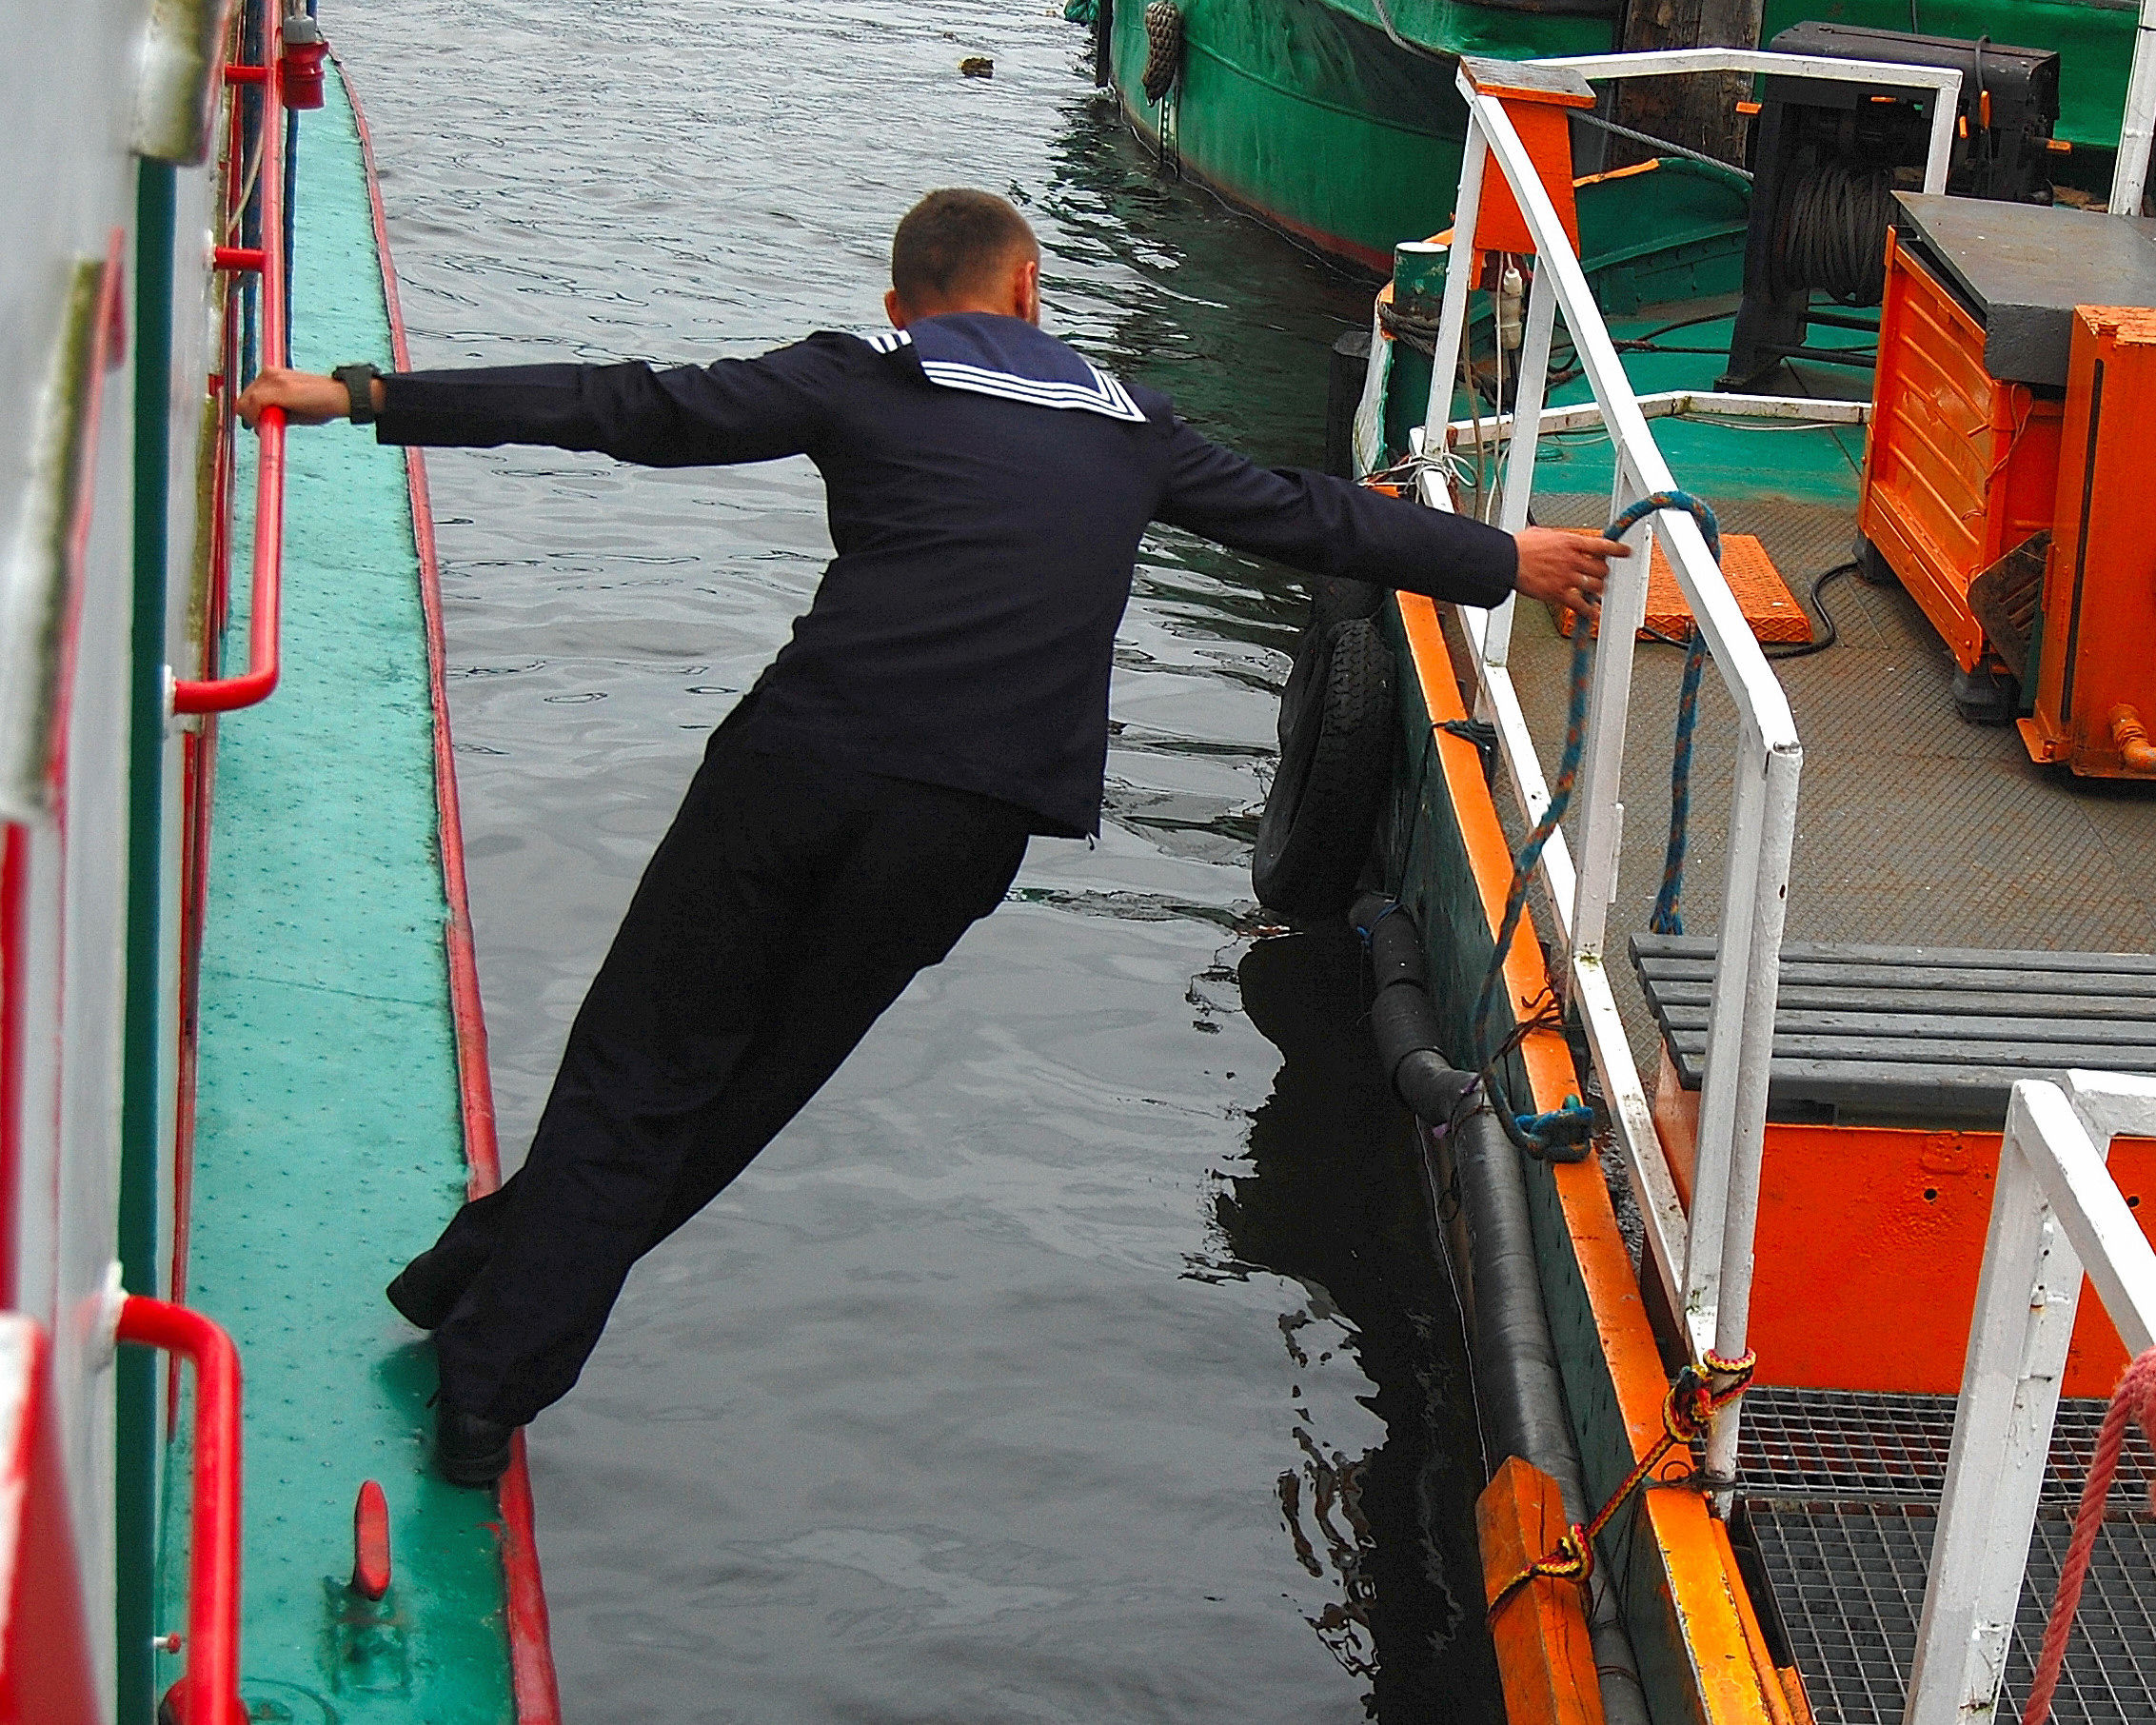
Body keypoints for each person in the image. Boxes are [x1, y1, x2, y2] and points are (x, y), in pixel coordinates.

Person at [239, 188, 1624, 1486]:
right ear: (1030, 285)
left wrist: (368, 394)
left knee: (642, 1064)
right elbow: (1300, 514)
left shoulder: (867, 369)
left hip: (802, 764)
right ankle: (469, 1295)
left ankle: (483, 1382)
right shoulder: (1125, 418)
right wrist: (1511, 559)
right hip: (969, 819)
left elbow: (634, 406)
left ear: (905, 301)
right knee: (744, 1089)